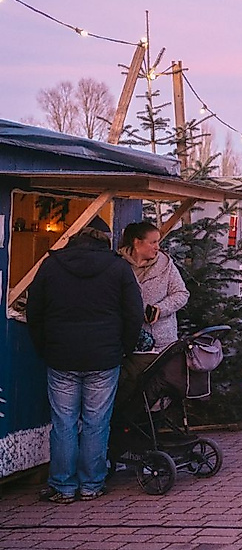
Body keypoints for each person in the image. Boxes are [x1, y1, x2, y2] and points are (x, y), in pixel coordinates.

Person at [26, 216, 144, 503]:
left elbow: (34, 311)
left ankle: (63, 486)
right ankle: (91, 484)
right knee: (96, 421)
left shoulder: (52, 265)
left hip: (61, 355)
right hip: (104, 356)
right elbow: (134, 313)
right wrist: (124, 348)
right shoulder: (118, 267)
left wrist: (45, 347)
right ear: (105, 239)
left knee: (64, 421)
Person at [115, 222, 192, 405]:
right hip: (127, 344)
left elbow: (182, 294)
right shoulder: (117, 265)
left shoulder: (166, 265)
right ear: (137, 243)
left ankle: (145, 424)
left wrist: (160, 308)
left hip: (161, 343)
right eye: (153, 242)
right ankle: (125, 425)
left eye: (158, 242)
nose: (158, 247)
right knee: (125, 384)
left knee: (152, 388)